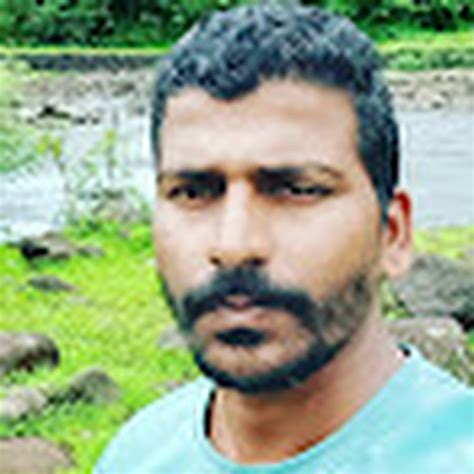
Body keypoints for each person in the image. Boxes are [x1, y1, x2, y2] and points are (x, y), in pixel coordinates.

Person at [95, 2, 473, 473]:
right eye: (193, 192)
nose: (234, 246)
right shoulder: (137, 454)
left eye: (297, 190)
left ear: (392, 235)